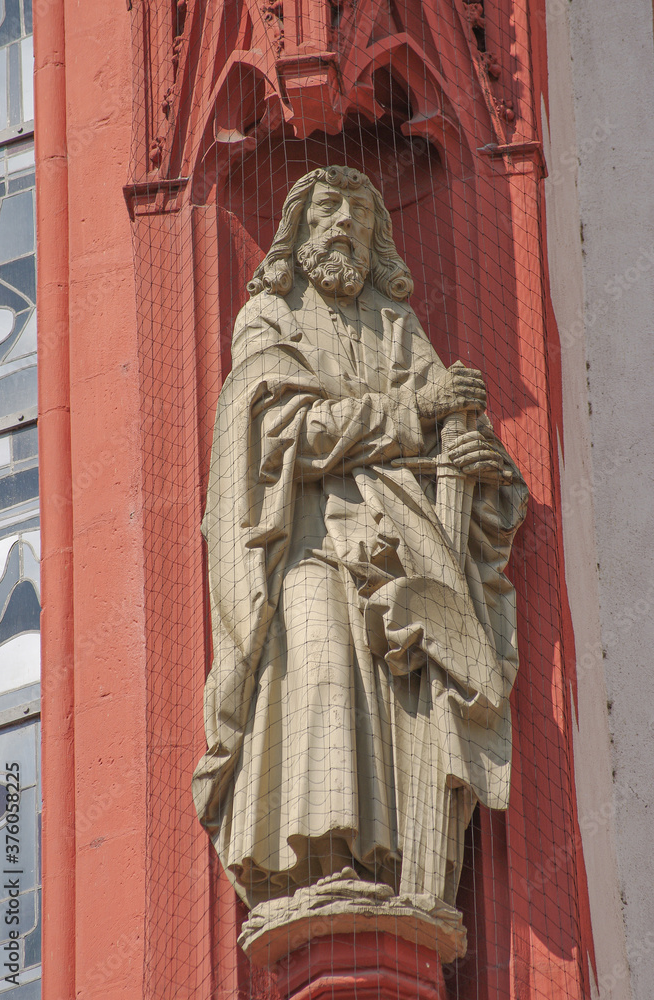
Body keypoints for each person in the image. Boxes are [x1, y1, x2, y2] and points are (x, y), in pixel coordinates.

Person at [192, 165, 528, 911]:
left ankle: (397, 873)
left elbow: (454, 444)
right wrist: (416, 412)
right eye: (326, 211)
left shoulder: (397, 326)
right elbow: (286, 436)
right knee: (320, 664)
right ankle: (319, 862)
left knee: (399, 699)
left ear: (377, 236)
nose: (343, 223)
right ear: (298, 229)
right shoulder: (272, 319)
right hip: (309, 544)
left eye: (358, 213)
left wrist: (485, 467)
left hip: (401, 551)